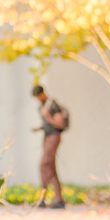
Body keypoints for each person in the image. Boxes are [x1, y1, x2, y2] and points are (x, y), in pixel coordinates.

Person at [32, 81, 71, 209]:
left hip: (54, 137)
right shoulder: (42, 106)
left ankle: (43, 196)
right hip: (47, 136)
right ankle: (58, 198)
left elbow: (59, 124)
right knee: (50, 167)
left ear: (42, 94)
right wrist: (39, 128)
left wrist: (47, 116)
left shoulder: (52, 105)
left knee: (44, 165)